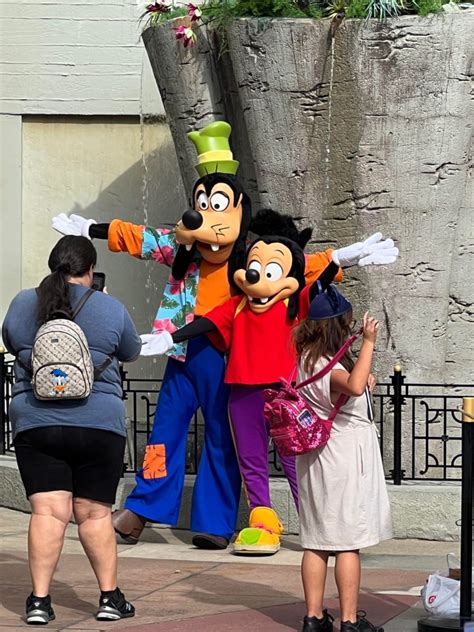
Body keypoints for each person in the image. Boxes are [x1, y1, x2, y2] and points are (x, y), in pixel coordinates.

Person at [1, 236, 141, 625]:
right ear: (90, 270)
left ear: (53, 266)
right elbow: (131, 350)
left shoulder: (23, 302)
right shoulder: (110, 308)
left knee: (48, 510)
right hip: (98, 424)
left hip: (37, 421)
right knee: (95, 514)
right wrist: (103, 304)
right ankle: (110, 598)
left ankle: (39, 602)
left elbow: (12, 340)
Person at [293, 287, 392, 632]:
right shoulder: (324, 363)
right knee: (347, 543)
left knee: (316, 541)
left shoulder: (306, 358)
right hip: (341, 458)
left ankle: (313, 617)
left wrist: (364, 381)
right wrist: (368, 342)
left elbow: (349, 386)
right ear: (336, 326)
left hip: (316, 458)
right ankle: (349, 621)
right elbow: (349, 385)